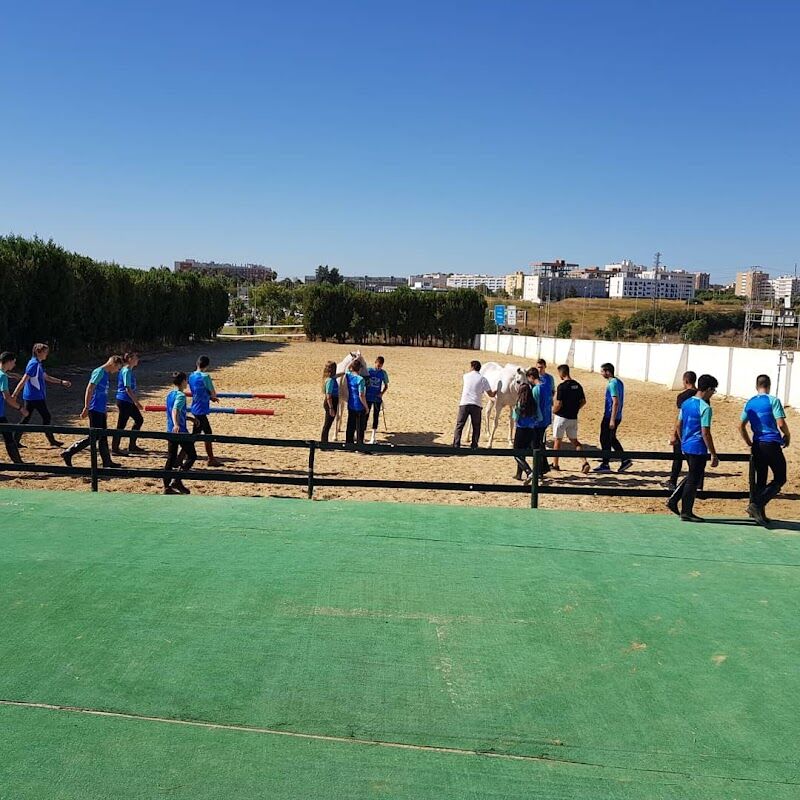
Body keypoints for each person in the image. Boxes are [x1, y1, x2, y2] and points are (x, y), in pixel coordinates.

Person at [667, 374, 719, 522]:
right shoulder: (705, 407)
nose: (713, 393)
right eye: (713, 390)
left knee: (692, 475)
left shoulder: (687, 403)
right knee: (693, 480)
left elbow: (679, 424)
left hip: (687, 445)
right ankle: (686, 511)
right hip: (698, 446)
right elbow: (705, 432)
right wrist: (713, 453)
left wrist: (683, 440)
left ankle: (674, 500)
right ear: (708, 389)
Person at [739, 374, 790, 525]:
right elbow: (781, 423)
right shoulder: (773, 400)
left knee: (761, 479)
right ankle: (756, 505)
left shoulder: (750, 402)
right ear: (769, 385)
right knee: (780, 477)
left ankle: (759, 513)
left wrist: (749, 442)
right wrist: (787, 434)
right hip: (771, 443)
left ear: (757, 386)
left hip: (757, 443)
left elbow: (740, 426)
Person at [61, 356, 124, 468]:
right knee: (94, 436)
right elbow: (90, 388)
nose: (117, 371)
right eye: (118, 368)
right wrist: (86, 407)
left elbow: (102, 393)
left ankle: (107, 461)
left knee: (103, 436)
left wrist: (104, 409)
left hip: (100, 408)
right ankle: (69, 452)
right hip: (94, 408)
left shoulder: (105, 374)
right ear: (114, 364)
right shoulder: (99, 372)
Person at [13, 343, 72, 448]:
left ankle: (15, 440)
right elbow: (24, 380)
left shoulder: (37, 364)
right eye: (45, 352)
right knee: (45, 416)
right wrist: (15, 394)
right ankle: (51, 440)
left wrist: (61, 382)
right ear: (38, 352)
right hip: (34, 397)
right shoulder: (34, 364)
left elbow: (46, 377)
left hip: (34, 396)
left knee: (26, 418)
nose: (46, 354)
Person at [594, 363, 633, 473]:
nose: (601, 373)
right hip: (617, 415)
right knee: (611, 438)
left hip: (610, 416)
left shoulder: (612, 384)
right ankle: (622, 460)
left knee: (605, 439)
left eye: (602, 371)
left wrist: (612, 419)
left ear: (607, 372)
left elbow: (615, 402)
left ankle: (607, 463)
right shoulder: (619, 382)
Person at [164, 371, 198, 494]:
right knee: (192, 456)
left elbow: (172, 411)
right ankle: (177, 480)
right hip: (180, 431)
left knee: (171, 457)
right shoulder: (181, 396)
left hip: (170, 430)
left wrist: (189, 418)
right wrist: (177, 424)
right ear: (183, 381)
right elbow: (175, 410)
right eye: (186, 380)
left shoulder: (170, 394)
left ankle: (167, 486)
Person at [552, 364, 590, 473]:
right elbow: (583, 401)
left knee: (557, 441)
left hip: (561, 417)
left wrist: (554, 411)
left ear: (561, 373)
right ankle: (584, 462)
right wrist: (575, 409)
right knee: (575, 441)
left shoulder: (562, 387)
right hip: (573, 417)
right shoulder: (577, 385)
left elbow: (559, 403)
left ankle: (555, 464)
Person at [453, 361, 499, 448]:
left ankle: (456, 444)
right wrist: (496, 390)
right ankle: (474, 445)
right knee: (476, 427)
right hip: (476, 404)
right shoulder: (483, 379)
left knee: (460, 425)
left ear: (472, 367)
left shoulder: (466, 376)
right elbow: (491, 394)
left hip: (464, 403)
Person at [665, 371, 697, 491]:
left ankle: (673, 481)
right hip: (696, 430)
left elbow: (679, 416)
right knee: (694, 459)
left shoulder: (682, 396)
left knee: (677, 457)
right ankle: (697, 482)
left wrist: (674, 434)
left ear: (686, 381)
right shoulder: (701, 396)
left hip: (683, 430)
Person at [188, 355, 222, 467]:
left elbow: (197, 391)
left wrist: (209, 396)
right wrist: (212, 397)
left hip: (195, 406)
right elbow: (213, 392)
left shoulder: (191, 376)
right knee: (205, 434)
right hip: (201, 409)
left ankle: (210, 458)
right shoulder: (205, 376)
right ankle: (210, 459)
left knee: (198, 434)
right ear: (207, 365)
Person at [111, 352, 145, 455]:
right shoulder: (126, 371)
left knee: (138, 420)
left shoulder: (127, 370)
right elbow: (127, 388)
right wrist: (136, 402)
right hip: (124, 400)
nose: (137, 359)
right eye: (135, 357)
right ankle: (115, 448)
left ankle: (131, 445)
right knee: (122, 424)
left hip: (126, 400)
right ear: (130, 359)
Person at [512, 367, 543, 483]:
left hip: (521, 429)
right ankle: (518, 474)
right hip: (531, 430)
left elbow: (515, 417)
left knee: (516, 453)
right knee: (523, 452)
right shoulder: (533, 403)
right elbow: (540, 417)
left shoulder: (520, 404)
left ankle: (529, 472)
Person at [0, 351, 25, 464]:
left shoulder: (2, 374)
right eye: (13, 362)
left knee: (8, 435)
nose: (14, 365)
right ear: (9, 362)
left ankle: (18, 462)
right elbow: (7, 398)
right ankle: (18, 463)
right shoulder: (3, 376)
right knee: (8, 437)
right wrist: (20, 408)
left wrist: (12, 375)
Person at [366, 356, 389, 444]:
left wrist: (381, 393)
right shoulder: (369, 371)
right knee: (366, 416)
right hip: (368, 397)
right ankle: (362, 435)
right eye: (377, 365)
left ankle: (373, 436)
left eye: (380, 366)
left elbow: (386, 386)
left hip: (377, 398)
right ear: (375, 363)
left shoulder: (383, 373)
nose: (378, 367)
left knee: (375, 416)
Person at [345, 360, 368, 445]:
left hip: (351, 404)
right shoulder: (360, 379)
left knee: (350, 425)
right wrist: (366, 407)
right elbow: (361, 395)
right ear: (360, 369)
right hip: (359, 406)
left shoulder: (348, 375)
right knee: (360, 427)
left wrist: (352, 362)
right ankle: (359, 445)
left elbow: (347, 368)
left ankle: (349, 444)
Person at [535, 358, 555, 439]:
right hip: (536, 406)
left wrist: (550, 400)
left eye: (541, 367)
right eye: (538, 367)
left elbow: (553, 390)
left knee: (544, 426)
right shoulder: (534, 378)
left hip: (546, 406)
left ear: (545, 367)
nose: (540, 369)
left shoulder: (550, 378)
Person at [320, 361, 339, 443]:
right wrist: (331, 408)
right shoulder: (330, 380)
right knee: (327, 425)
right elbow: (328, 395)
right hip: (331, 402)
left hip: (332, 401)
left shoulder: (330, 377)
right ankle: (324, 443)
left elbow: (338, 375)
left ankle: (325, 442)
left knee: (328, 424)